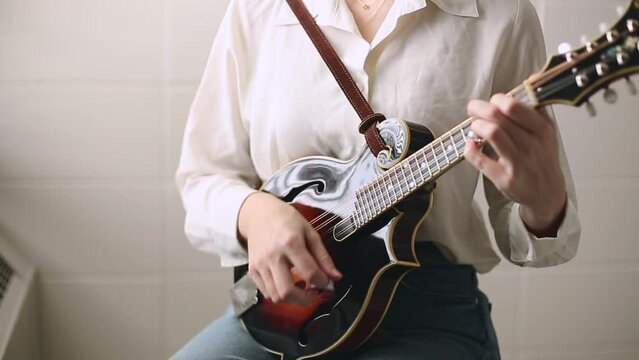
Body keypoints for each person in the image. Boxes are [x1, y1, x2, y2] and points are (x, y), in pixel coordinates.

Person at [173, 0, 582, 359]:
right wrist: (256, 214)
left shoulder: (502, 15)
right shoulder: (258, 9)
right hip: (284, 308)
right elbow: (204, 176)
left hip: (425, 313)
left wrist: (543, 203)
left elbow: (543, 243)